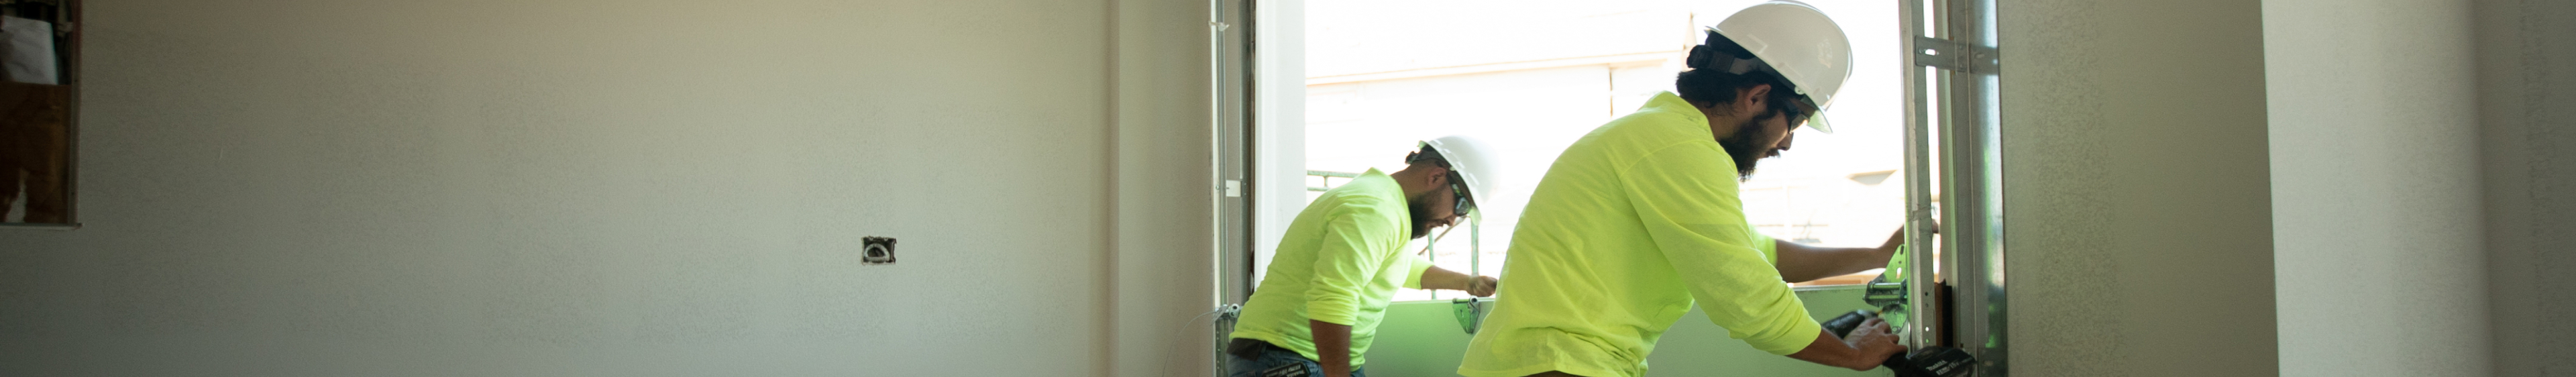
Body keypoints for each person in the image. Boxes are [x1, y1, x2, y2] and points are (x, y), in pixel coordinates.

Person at [1455, 2, 1912, 376]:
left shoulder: (1659, 138)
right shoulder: (1677, 147)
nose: (1787, 142)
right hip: (1559, 364)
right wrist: (1852, 354)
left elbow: (1757, 254)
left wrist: (1875, 255)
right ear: (1756, 97)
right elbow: (1744, 291)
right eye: (1794, 122)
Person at [1226, 136, 1507, 377]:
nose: (1452, 220)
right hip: (1289, 356)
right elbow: (1334, 297)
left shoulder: (1383, 201)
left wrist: (1467, 283)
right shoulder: (1376, 209)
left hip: (1297, 357)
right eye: (1460, 206)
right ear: (1436, 176)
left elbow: (1395, 265)